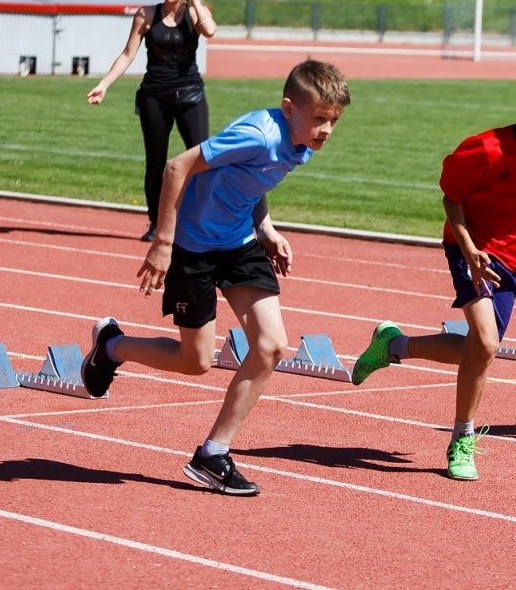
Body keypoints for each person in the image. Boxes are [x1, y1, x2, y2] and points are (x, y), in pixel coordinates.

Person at [79, 60, 350, 496]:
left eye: (334, 120)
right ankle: (111, 346)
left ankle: (212, 454)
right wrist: (163, 243)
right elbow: (176, 168)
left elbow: (251, 184)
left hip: (240, 244)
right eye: (319, 118)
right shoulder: (258, 135)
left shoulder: (299, 143)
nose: (327, 130)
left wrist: (265, 228)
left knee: (271, 345)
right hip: (193, 248)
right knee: (196, 362)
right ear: (288, 108)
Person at [348, 63, 516, 481]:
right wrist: (469, 248)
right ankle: (462, 438)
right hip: (470, 249)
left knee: (477, 350)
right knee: (488, 344)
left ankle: (393, 346)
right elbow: (451, 199)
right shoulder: (485, 149)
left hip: (514, 259)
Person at [88, 0, 218, 242]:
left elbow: (210, 31)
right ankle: (156, 223)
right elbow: (127, 54)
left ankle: (201, 219)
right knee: (155, 162)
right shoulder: (146, 13)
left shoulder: (196, 13)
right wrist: (104, 85)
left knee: (203, 159)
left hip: (190, 94)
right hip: (154, 95)